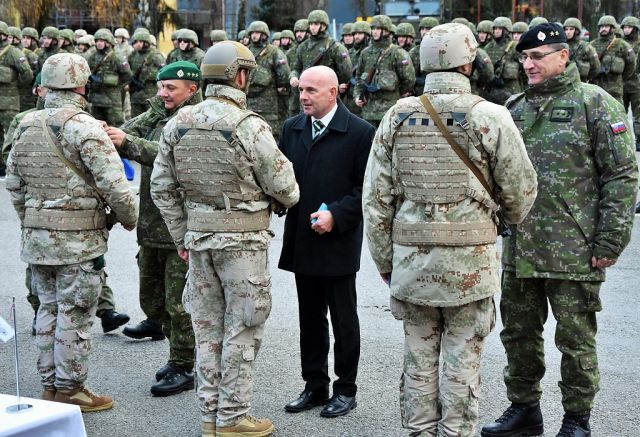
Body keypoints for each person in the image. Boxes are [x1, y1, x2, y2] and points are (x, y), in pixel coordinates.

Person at [362, 23, 537, 437]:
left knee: (418, 360)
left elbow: (376, 199)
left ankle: (420, 432)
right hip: (471, 267)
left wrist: (386, 262)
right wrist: (501, 220)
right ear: (468, 62)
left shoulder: (396, 116)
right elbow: (521, 190)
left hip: (411, 264)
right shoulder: (490, 116)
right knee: (462, 362)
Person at [481, 23, 638, 437]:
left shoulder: (595, 103)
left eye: (537, 56)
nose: (528, 64)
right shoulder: (515, 107)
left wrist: (611, 240)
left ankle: (577, 420)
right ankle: (524, 410)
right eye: (524, 57)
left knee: (576, 341)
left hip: (575, 249)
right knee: (518, 335)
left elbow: (621, 175)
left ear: (563, 56)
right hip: (521, 249)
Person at [150, 41, 299, 437]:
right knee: (242, 329)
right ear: (241, 76)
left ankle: (210, 415)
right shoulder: (248, 125)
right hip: (243, 244)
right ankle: (234, 417)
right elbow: (286, 188)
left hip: (199, 242)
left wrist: (182, 235)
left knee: (207, 331)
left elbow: (161, 187)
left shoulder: (178, 123)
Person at [5, 53, 138, 411]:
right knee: (74, 315)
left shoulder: (25, 123)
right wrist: (129, 218)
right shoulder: (85, 127)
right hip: (79, 241)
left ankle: (49, 386)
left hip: (37, 239)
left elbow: (14, 182)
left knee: (47, 311)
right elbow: (115, 185)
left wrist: (32, 219)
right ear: (81, 85)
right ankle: (71, 388)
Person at [278, 65, 375, 418]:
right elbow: (279, 176)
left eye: (311, 91)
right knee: (310, 318)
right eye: (301, 89)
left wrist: (336, 213)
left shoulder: (360, 132)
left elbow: (368, 189)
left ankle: (345, 389)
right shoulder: (292, 128)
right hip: (303, 237)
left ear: (333, 93)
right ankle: (314, 384)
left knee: (343, 319)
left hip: (337, 240)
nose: (303, 96)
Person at [105, 61, 202, 396]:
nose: (162, 93)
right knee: (153, 297)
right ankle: (165, 337)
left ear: (192, 89)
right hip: (151, 225)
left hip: (179, 228)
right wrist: (112, 132)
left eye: (170, 88)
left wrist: (127, 142)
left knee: (179, 305)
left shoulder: (196, 118)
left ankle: (183, 365)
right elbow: (124, 132)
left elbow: (171, 155)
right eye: (160, 87)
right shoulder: (159, 113)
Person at [354, 15, 415, 128]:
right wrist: (357, 96)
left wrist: (396, 94)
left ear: (387, 31)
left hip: (390, 111)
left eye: (378, 28)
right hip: (368, 113)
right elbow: (358, 78)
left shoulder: (397, 53)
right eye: (373, 28)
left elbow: (409, 80)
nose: (374, 31)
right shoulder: (365, 53)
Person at [245, 20, 290, 141]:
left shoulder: (274, 52)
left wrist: (281, 86)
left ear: (264, 35)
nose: (254, 35)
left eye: (257, 33)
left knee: (269, 136)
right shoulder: (245, 51)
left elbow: (284, 74)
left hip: (269, 104)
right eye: (252, 33)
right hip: (248, 102)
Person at [87, 28, 132, 126]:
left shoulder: (116, 56)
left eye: (102, 41)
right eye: (97, 41)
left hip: (112, 100)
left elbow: (127, 75)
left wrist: (115, 84)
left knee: (116, 126)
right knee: (96, 126)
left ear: (108, 42)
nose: (99, 43)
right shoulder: (92, 57)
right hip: (96, 100)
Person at [590, 15, 636, 105]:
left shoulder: (622, 45)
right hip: (595, 88)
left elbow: (631, 64)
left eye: (606, 26)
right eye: (601, 27)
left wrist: (620, 79)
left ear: (612, 28)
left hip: (615, 91)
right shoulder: (592, 45)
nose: (603, 29)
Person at [128, 28, 166, 117]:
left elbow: (164, 71)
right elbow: (128, 71)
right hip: (135, 95)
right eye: (136, 41)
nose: (138, 44)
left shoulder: (155, 55)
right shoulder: (133, 54)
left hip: (150, 94)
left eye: (141, 41)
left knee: (152, 117)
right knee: (135, 118)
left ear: (146, 42)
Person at [564, 18, 600, 83]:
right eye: (566, 29)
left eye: (571, 29)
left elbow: (596, 67)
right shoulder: (561, 46)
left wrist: (587, 79)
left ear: (577, 31)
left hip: (580, 83)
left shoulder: (586, 47)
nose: (568, 32)